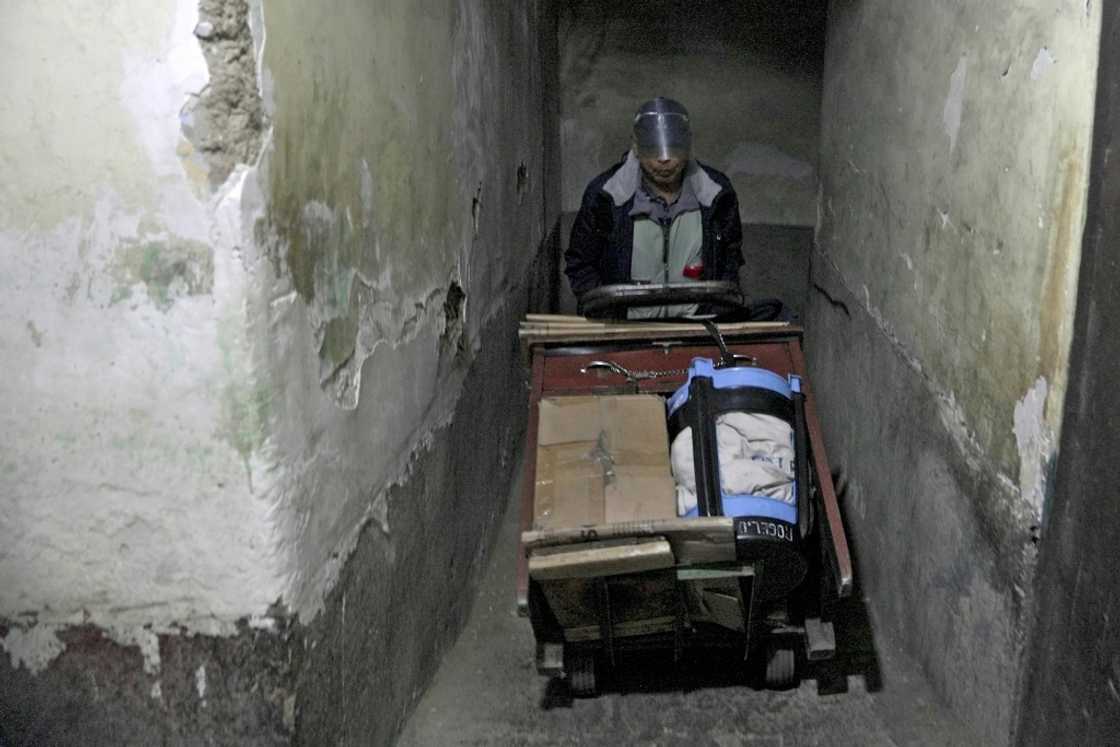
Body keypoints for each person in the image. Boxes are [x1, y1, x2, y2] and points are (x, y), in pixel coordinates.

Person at [565, 97, 744, 317]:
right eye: (652, 150)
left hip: (696, 329)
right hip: (626, 333)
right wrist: (608, 314)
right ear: (636, 146)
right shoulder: (607, 196)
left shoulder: (716, 195)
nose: (664, 160)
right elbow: (580, 263)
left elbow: (730, 258)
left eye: (674, 149)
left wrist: (716, 312)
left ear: (688, 145)